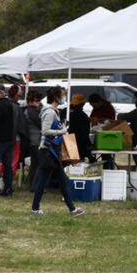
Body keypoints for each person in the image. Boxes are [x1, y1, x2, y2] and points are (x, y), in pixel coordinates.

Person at [31, 86, 86, 217]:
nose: (64, 98)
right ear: (56, 97)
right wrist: (62, 131)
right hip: (49, 150)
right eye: (62, 95)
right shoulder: (50, 112)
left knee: (59, 180)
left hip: (50, 150)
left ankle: (71, 209)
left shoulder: (51, 110)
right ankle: (70, 209)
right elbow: (45, 131)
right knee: (55, 181)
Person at [23, 90, 44, 192]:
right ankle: (36, 186)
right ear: (30, 100)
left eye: (39, 101)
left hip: (31, 140)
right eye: (36, 101)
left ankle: (33, 185)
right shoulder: (32, 111)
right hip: (36, 140)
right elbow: (40, 124)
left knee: (35, 164)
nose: (38, 103)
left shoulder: (29, 110)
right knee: (41, 163)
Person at [68, 93, 92, 163]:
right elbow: (84, 132)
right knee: (78, 166)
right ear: (82, 104)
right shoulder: (82, 116)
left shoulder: (65, 112)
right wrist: (88, 144)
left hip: (66, 141)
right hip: (79, 144)